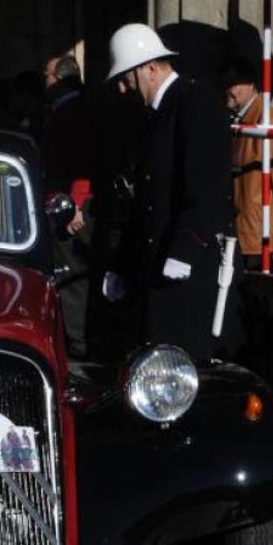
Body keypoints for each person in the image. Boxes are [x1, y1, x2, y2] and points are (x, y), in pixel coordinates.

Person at [101, 23, 232, 361]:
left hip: (186, 265)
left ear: (151, 68)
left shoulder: (195, 103)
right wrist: (123, 263)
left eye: (126, 78)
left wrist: (185, 248)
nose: (122, 88)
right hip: (155, 263)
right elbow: (145, 199)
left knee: (182, 362)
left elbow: (206, 186)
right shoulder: (153, 115)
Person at [41, 53, 95, 358]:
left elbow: (82, 163)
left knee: (73, 275)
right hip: (60, 201)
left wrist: (75, 205)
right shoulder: (65, 110)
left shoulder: (75, 112)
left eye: (47, 77)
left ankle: (78, 342)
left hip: (72, 206)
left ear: (60, 80)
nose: (45, 83)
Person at [223, 60, 273, 271]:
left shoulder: (268, 119)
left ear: (251, 85)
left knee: (257, 291)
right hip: (245, 225)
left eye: (233, 84)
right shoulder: (243, 118)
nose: (228, 90)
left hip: (257, 229)